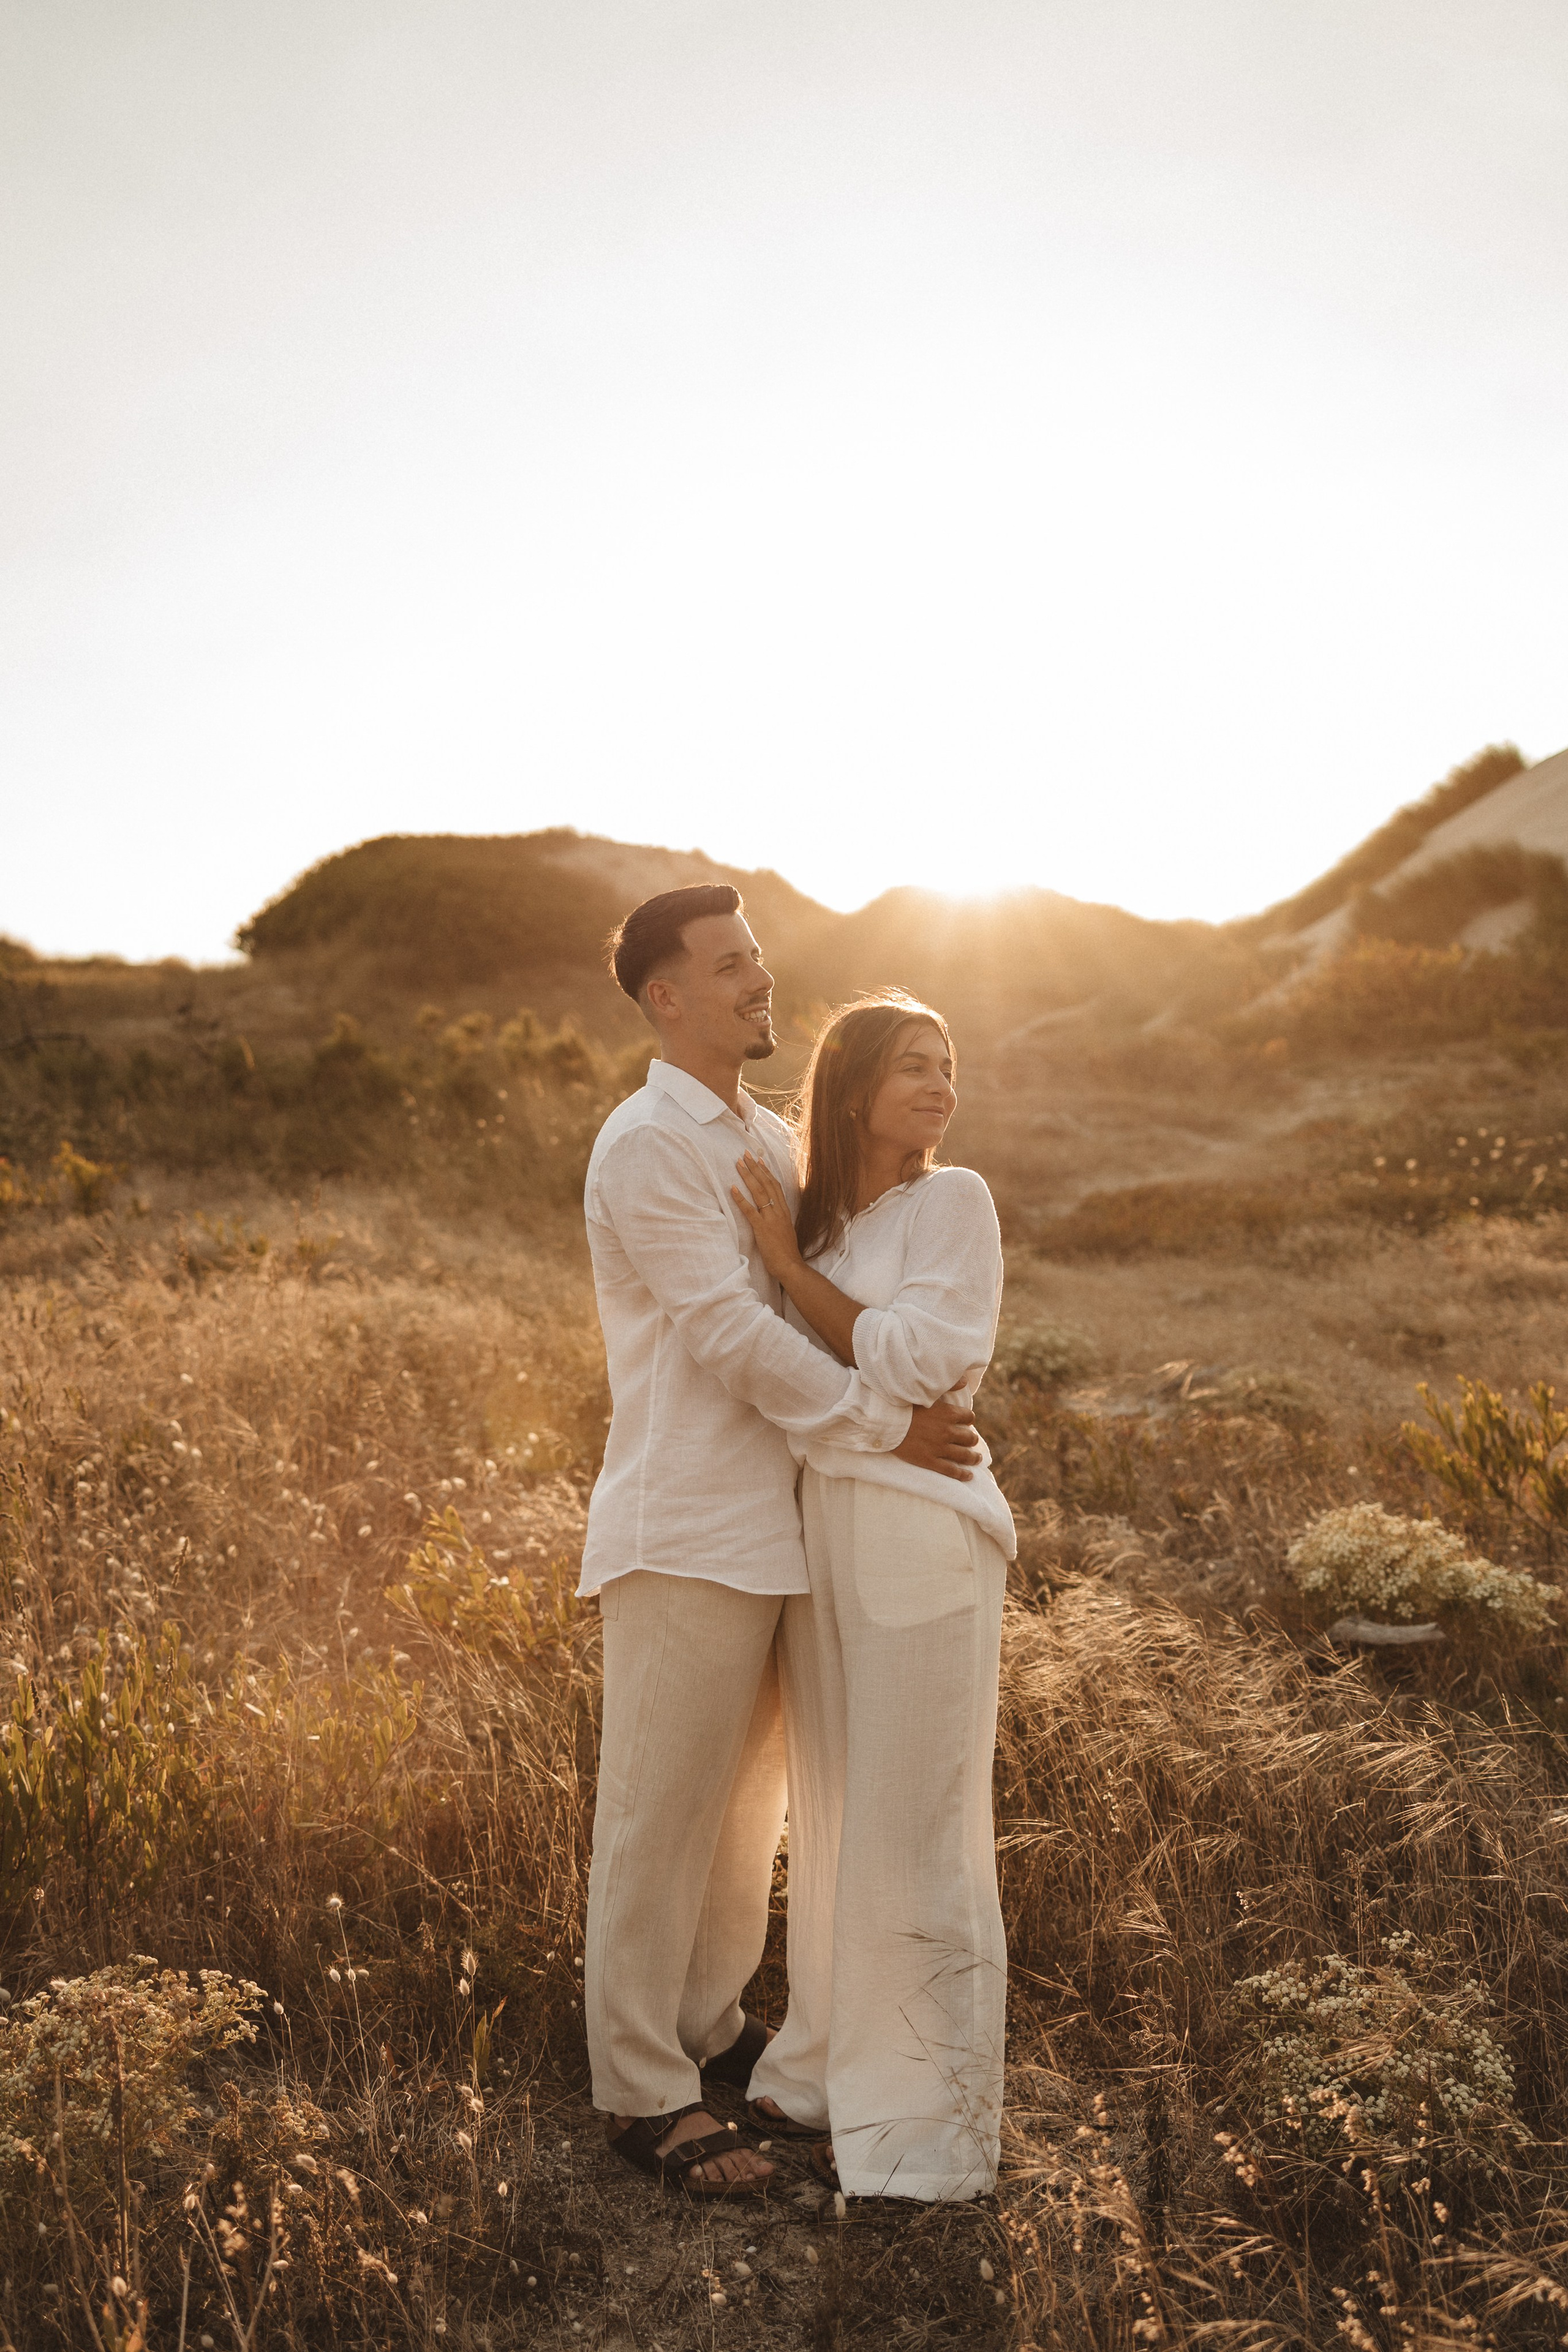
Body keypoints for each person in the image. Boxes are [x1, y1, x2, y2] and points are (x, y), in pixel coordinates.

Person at [579, 888, 984, 2198]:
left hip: (786, 1528)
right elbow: (731, 1335)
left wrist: (873, 1419)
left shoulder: (765, 1137)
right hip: (686, 1520)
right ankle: (640, 2088)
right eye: (729, 965)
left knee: (740, 1821)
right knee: (655, 1814)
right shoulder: (647, 1145)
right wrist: (883, 1424)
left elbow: (839, 1296)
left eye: (758, 957)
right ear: (666, 998)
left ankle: (704, 2028)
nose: (760, 981)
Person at [733, 991, 1016, 2202]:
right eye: (914, 1065)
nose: (941, 1085)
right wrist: (801, 1269)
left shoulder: (951, 1202)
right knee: (836, 1820)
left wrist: (791, 1274)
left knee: (913, 1830)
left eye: (948, 1066)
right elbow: (797, 1366)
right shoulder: (827, 1224)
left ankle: (922, 2137)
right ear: (852, 1089)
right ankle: (827, 2082)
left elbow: (915, 1360)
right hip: (825, 1533)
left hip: (920, 1531)